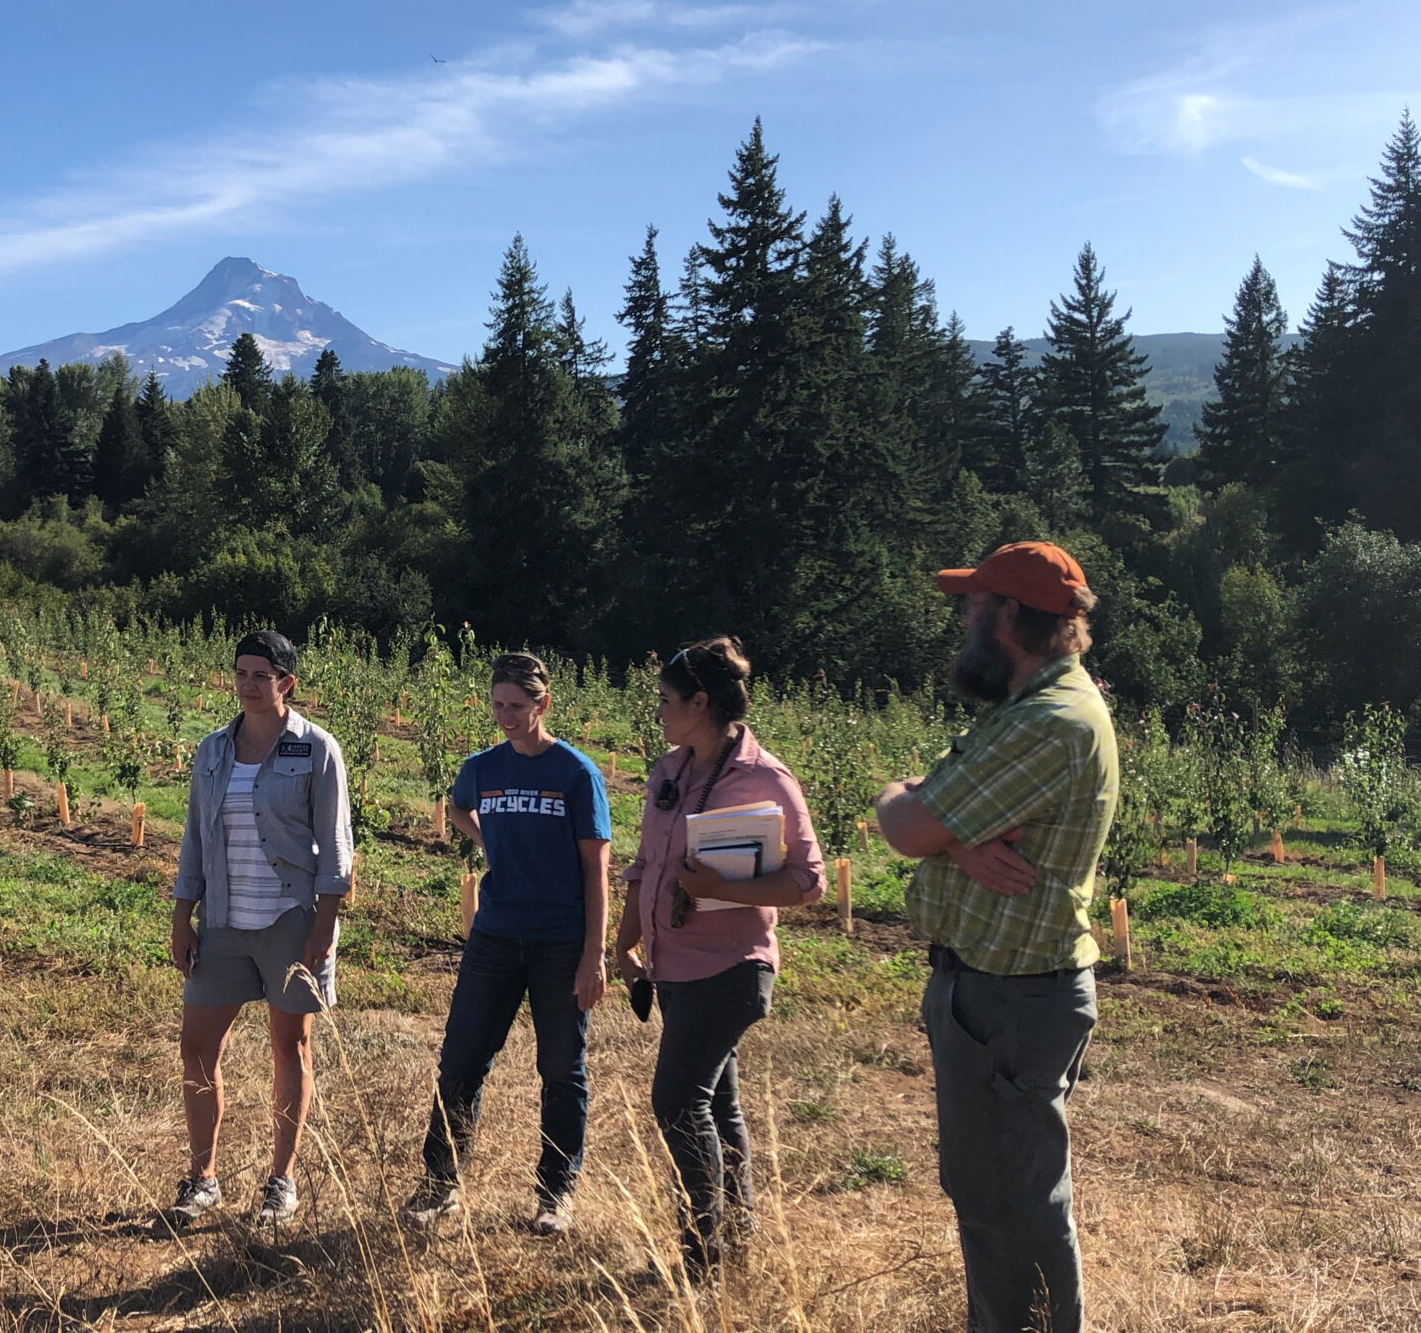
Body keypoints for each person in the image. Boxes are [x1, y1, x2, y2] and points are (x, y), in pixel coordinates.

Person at [873, 542, 1117, 1333]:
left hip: (1012, 996)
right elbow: (915, 816)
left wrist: (933, 824)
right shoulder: (1029, 707)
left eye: (973, 605)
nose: (963, 619)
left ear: (1009, 615)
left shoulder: (1046, 722)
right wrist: (955, 836)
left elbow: (905, 821)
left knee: (1014, 1206)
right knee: (994, 1196)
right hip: (997, 990)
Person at [612, 638, 825, 1282]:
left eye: (666, 701)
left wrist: (718, 890)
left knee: (678, 1100)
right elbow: (647, 864)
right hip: (672, 966)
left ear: (700, 703)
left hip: (733, 968)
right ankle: (735, 1234)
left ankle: (701, 1252)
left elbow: (807, 881)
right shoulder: (669, 771)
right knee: (716, 1101)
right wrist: (625, 941)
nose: (659, 712)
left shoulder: (765, 779)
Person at [403, 652, 612, 1235]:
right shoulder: (482, 767)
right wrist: (486, 839)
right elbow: (457, 805)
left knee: (561, 1068)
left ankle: (555, 1193)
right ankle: (439, 1183)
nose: (505, 717)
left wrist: (594, 952)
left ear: (542, 705)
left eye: (517, 707)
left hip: (558, 941)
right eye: (497, 705)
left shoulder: (576, 773)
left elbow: (598, 869)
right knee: (462, 1059)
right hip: (495, 934)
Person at [162, 630, 353, 1230]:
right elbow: (195, 834)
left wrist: (324, 922)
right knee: (197, 1049)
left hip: (289, 920)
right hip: (221, 918)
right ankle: (203, 1177)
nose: (247, 685)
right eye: (241, 673)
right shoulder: (213, 749)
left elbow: (336, 846)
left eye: (261, 675)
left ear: (286, 684)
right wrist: (181, 913)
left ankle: (281, 1180)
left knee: (289, 1045)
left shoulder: (316, 748)